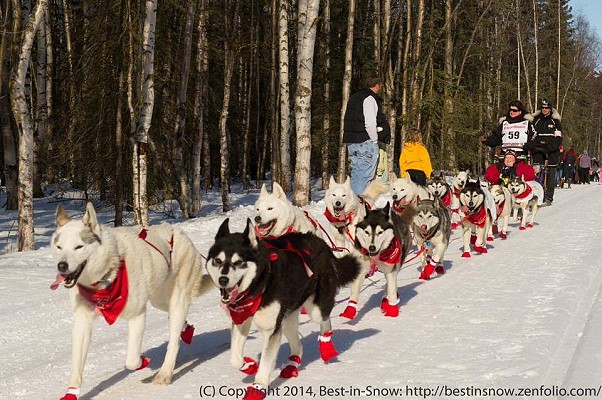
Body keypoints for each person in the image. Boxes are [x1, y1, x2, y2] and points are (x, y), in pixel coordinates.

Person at [343, 76, 391, 195]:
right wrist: (374, 140)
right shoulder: (369, 99)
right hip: (365, 141)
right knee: (365, 175)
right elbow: (370, 123)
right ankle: (360, 203)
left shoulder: (354, 97)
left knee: (357, 173)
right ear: (377, 85)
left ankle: (356, 201)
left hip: (352, 141)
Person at [530, 99, 563, 206]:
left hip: (551, 151)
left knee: (550, 173)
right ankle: (537, 194)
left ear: (550, 109)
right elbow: (531, 135)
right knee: (536, 172)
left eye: (546, 108)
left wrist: (550, 147)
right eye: (543, 108)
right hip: (538, 150)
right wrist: (534, 146)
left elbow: (558, 137)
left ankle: (549, 196)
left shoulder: (555, 121)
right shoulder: (535, 120)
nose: (544, 110)